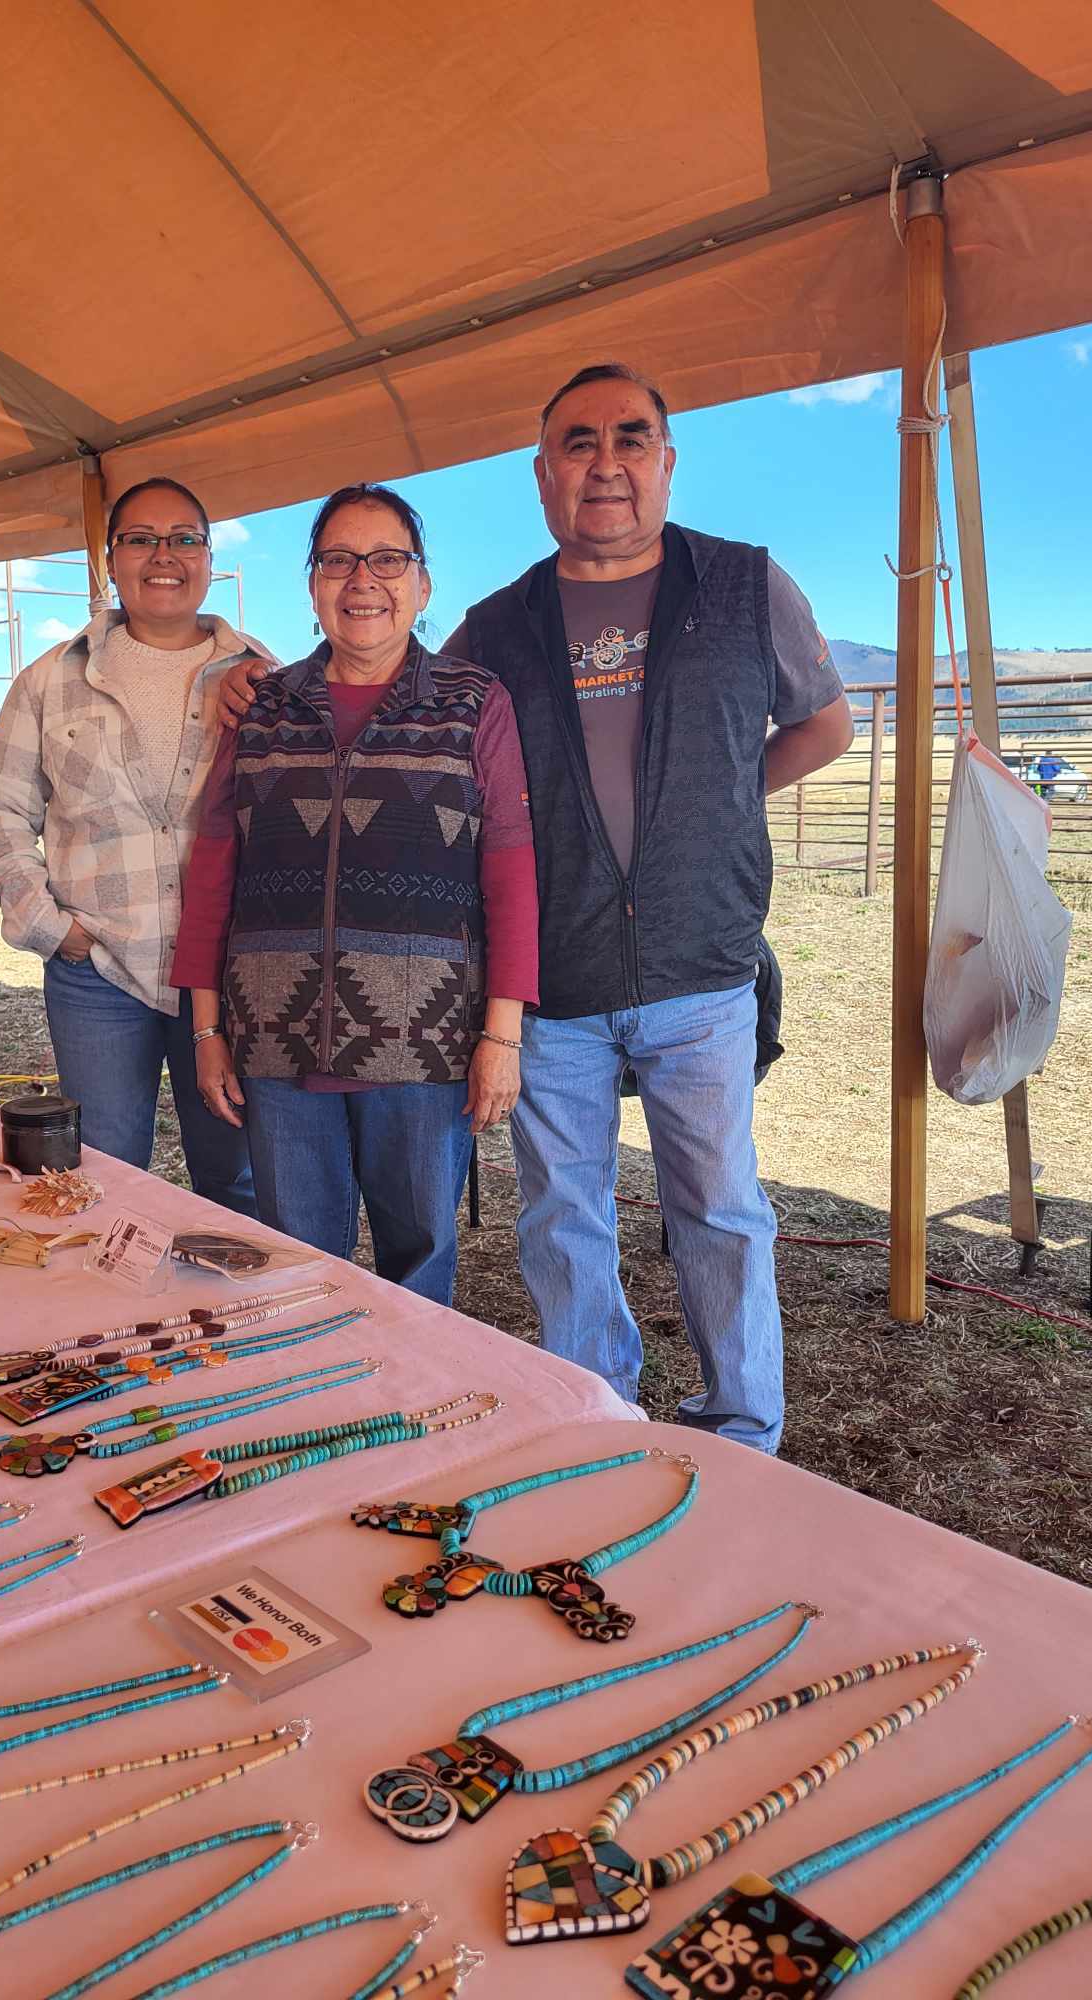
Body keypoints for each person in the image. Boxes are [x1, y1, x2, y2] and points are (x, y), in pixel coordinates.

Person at [220, 365, 853, 1451]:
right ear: (541, 472)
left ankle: (743, 1423)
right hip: (552, 981)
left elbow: (824, 726)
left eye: (629, 437)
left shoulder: (746, 588)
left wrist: (706, 811)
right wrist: (263, 683)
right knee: (565, 1213)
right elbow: (397, 692)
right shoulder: (498, 627)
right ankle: (594, 1412)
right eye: (577, 441)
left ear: (665, 459)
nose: (604, 460)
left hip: (701, 969)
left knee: (721, 1209)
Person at [172, 483, 538, 1305]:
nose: (361, 579)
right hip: (274, 1033)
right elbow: (214, 870)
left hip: (424, 1041)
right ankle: (316, 1406)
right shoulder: (263, 707)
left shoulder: (473, 704)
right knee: (296, 1261)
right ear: (312, 585)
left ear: (422, 584)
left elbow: (511, 873)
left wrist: (501, 1036)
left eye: (387, 559)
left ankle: (409, 1417)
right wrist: (205, 1027)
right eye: (338, 559)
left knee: (419, 1256)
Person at [0, 477, 273, 1213]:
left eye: (183, 538)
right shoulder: (50, 681)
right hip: (99, 969)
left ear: (209, 557)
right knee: (98, 1174)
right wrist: (54, 929)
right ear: (111, 559)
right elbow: (0, 811)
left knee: (233, 1173)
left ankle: (225, 1318)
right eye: (140, 539)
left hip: (226, 975)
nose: (163, 556)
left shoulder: (263, 676)